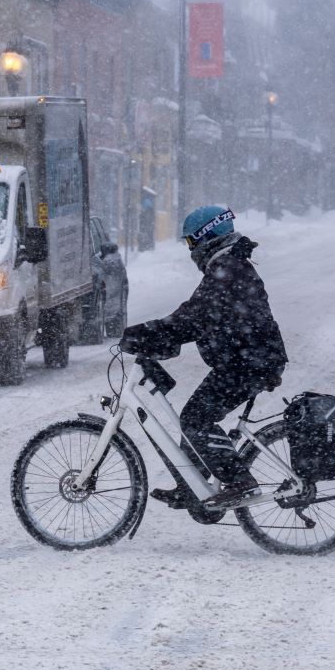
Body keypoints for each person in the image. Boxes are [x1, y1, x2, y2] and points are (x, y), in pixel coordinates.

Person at [120, 205, 288, 509]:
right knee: (195, 414)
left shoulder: (227, 270)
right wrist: (157, 334)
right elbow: (197, 314)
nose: (190, 251)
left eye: (189, 243)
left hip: (250, 363)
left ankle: (240, 482)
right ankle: (192, 487)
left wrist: (148, 333)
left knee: (195, 419)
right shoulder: (227, 265)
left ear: (205, 237)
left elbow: (194, 318)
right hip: (245, 360)